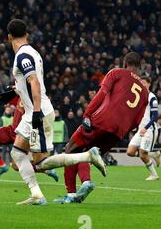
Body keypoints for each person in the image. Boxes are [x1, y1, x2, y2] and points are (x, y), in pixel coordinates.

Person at [6, 19, 106, 205]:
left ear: (9, 37)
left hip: (38, 112)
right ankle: (36, 194)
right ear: (27, 33)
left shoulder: (22, 55)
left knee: (40, 163)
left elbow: (34, 81)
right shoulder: (32, 53)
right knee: (18, 154)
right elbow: (30, 82)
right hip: (32, 112)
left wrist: (36, 112)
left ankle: (87, 156)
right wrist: (18, 89)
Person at [56, 52, 149, 204]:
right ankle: (79, 189)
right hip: (118, 133)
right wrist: (122, 129)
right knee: (87, 153)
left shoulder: (117, 72)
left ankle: (74, 191)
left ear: (125, 64)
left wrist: (87, 114)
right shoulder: (145, 92)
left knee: (71, 149)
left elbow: (101, 94)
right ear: (140, 66)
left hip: (101, 121)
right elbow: (136, 122)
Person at [0, 93, 58, 181]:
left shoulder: (37, 100)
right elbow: (8, 103)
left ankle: (46, 170)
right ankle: (2, 166)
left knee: (16, 166)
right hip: (12, 130)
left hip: (24, 135)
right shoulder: (20, 93)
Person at [127, 76, 159, 180]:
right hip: (140, 129)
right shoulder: (139, 98)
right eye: (141, 83)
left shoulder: (152, 97)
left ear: (149, 84)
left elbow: (155, 116)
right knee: (130, 152)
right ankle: (153, 154)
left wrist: (146, 127)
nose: (142, 85)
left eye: (144, 83)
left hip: (149, 130)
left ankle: (154, 175)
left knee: (142, 155)